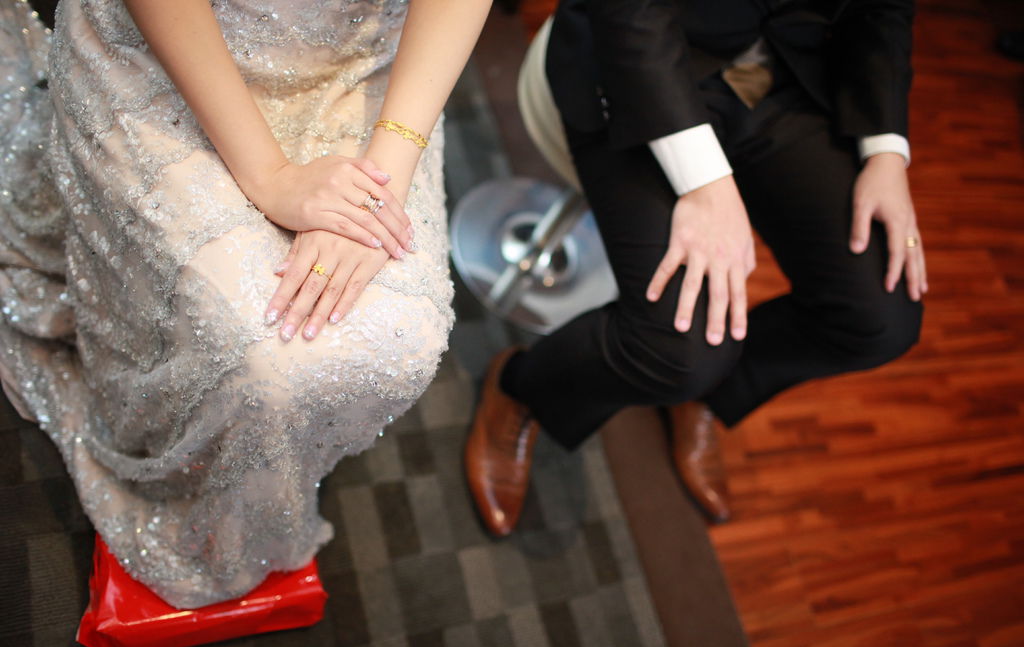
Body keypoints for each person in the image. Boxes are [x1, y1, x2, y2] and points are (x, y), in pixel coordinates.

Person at [0, 0, 490, 608]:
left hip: (367, 69)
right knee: (262, 354)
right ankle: (157, 442)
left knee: (399, 343)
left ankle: (249, 487)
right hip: (177, 52)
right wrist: (272, 176)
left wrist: (379, 183)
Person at [465, 0, 926, 534]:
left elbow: (885, 10)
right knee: (677, 348)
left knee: (882, 318)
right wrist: (706, 182)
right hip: (641, 60)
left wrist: (887, 152)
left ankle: (707, 393)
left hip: (786, 78)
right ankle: (520, 388)